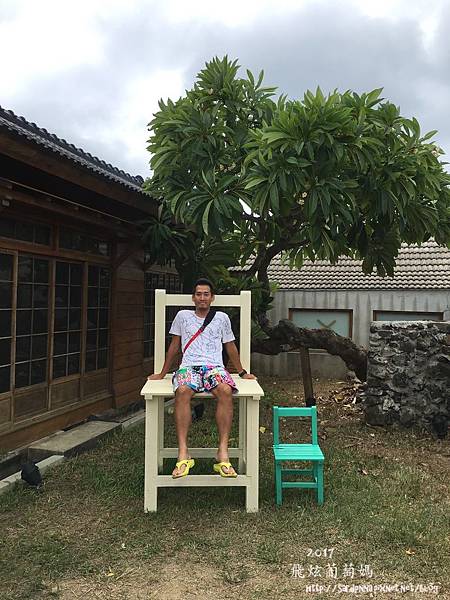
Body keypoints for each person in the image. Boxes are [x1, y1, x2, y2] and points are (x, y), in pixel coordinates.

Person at [147, 278, 256, 479]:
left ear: (212, 297)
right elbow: (174, 345)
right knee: (182, 391)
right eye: (198, 294)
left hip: (214, 367)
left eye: (206, 294)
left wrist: (242, 372)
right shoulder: (183, 316)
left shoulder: (222, 318)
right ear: (193, 297)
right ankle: (183, 452)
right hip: (189, 366)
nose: (202, 298)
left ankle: (222, 452)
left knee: (225, 390)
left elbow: (230, 345)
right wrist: (162, 373)